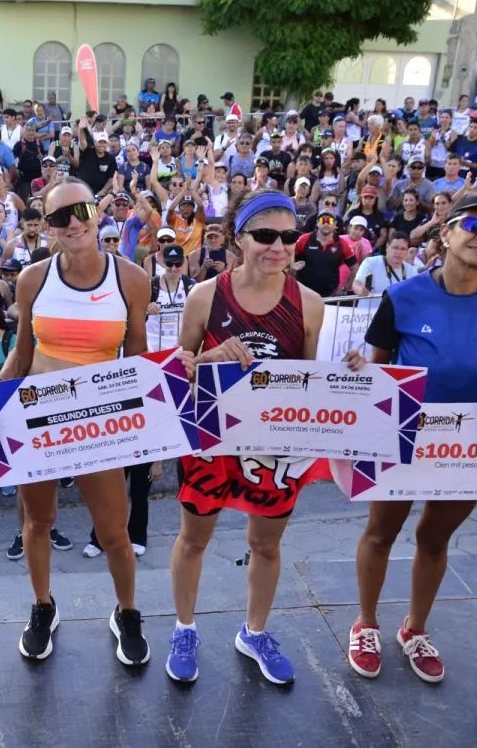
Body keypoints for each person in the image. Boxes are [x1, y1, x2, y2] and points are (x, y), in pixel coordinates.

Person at [348, 194, 477, 685]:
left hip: (468, 446)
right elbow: (379, 368)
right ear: (445, 233)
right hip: (403, 435)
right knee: (381, 534)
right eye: (474, 225)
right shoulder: (403, 296)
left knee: (434, 539)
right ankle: (366, 624)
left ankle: (415, 629)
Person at [167, 191, 332, 685]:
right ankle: (184, 628)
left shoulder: (309, 304)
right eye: (264, 235)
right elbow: (176, 375)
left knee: (266, 545)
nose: (277, 247)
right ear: (239, 239)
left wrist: (351, 371)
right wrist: (209, 358)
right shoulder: (205, 296)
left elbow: (310, 383)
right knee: (194, 540)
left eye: (287, 236)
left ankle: (254, 633)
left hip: (273, 447)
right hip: (212, 441)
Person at [0, 177, 152, 666]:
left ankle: (127, 612)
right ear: (48, 226)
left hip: (98, 426)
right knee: (37, 522)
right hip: (39, 421)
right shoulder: (32, 279)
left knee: (114, 533)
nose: (73, 223)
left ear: (96, 211)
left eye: (80, 210)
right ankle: (43, 605)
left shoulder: (131, 279)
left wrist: (148, 440)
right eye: (60, 217)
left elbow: (138, 362)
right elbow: (21, 357)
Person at [352, 232, 418, 296]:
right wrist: (361, 290)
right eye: (395, 248)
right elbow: (356, 283)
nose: (398, 252)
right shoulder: (370, 262)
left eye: (403, 249)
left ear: (407, 251)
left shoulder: (412, 271)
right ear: (387, 247)